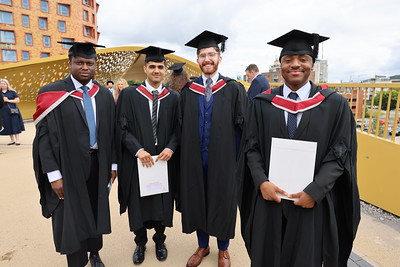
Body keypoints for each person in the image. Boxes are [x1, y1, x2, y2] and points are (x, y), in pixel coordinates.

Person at [241, 29, 360, 267]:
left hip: (310, 202)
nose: (295, 65)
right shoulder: (263, 104)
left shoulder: (334, 105)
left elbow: (340, 153)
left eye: (303, 60)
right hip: (270, 199)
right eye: (288, 60)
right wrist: (261, 182)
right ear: (281, 65)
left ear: (312, 65)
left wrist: (315, 192)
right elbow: (250, 147)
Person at [32, 41, 116, 267]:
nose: (85, 67)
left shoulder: (104, 95)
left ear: (95, 64)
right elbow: (44, 138)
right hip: (67, 167)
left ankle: (94, 253)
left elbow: (111, 132)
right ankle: (76, 260)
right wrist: (53, 174)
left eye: (89, 63)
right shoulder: (52, 93)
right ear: (70, 63)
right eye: (79, 62)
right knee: (71, 216)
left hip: (99, 164)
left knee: (95, 209)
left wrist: (113, 165)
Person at [179, 30, 248, 267]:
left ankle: (224, 249)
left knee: (222, 202)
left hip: (224, 160)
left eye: (211, 54)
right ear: (197, 60)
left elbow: (243, 128)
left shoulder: (233, 89)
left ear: (219, 58)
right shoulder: (189, 91)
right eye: (202, 55)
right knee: (198, 200)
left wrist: (238, 163)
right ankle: (202, 245)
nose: (206, 59)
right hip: (195, 159)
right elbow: (181, 127)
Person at [116, 46, 179, 265]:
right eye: (152, 66)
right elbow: (121, 128)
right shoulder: (129, 95)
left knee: (162, 201)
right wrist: (138, 149)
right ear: (145, 68)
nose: (156, 70)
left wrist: (171, 147)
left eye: (160, 67)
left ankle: (160, 241)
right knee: (138, 202)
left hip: (163, 160)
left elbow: (179, 129)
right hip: (138, 161)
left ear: (165, 70)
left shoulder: (173, 98)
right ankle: (140, 242)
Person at [0, 79, 25, 145]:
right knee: (7, 124)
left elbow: (17, 100)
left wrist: (8, 100)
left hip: (12, 110)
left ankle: (17, 140)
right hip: (3, 111)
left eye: (4, 84)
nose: (2, 85)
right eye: (1, 84)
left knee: (15, 124)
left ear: (7, 84)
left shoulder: (12, 92)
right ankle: (12, 140)